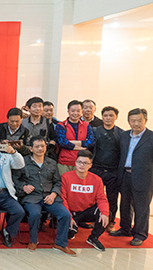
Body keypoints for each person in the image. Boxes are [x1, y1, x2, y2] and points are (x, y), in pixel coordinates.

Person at [13, 136, 74, 255]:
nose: (40, 149)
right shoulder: (23, 162)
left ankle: (61, 244)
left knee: (65, 214)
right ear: (30, 148)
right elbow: (15, 179)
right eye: (37, 146)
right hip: (32, 197)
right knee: (35, 214)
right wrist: (23, 186)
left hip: (49, 197)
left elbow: (57, 182)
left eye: (42, 146)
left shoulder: (52, 163)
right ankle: (33, 240)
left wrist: (53, 194)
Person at [110, 108, 153, 246]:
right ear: (128, 121)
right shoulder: (124, 135)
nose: (136, 124)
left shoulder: (151, 137)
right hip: (125, 175)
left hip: (144, 177)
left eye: (139, 120)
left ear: (145, 121)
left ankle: (140, 234)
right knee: (125, 204)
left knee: (141, 207)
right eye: (133, 121)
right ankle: (125, 229)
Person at [62, 150, 109, 252]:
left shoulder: (97, 180)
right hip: (71, 212)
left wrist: (105, 213)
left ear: (90, 165)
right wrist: (69, 217)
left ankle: (93, 238)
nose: (81, 165)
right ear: (75, 163)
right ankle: (73, 227)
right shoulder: (65, 177)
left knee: (104, 213)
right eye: (79, 162)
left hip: (87, 211)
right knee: (69, 234)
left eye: (85, 163)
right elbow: (63, 199)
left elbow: (102, 199)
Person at [91, 106, 123, 231]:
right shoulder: (95, 131)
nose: (108, 118)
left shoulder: (122, 134)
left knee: (112, 198)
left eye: (111, 115)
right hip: (96, 169)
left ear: (116, 117)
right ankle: (95, 220)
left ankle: (111, 222)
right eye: (105, 115)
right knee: (94, 197)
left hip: (113, 171)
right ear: (102, 117)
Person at [55, 100, 95, 176]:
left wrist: (71, 142)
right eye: (73, 111)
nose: (75, 113)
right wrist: (82, 147)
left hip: (82, 162)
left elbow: (91, 142)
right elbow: (62, 142)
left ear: (81, 111)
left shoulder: (86, 125)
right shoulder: (61, 125)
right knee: (64, 182)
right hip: (65, 163)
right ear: (68, 111)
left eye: (78, 111)